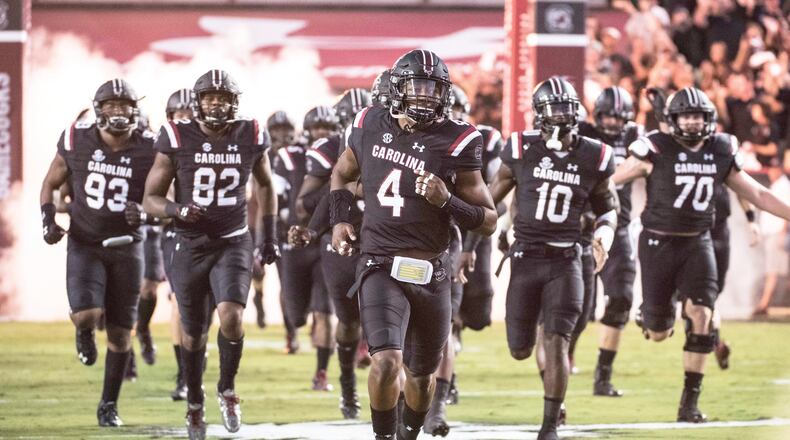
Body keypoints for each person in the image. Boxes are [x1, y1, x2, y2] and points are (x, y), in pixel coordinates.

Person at [330, 49, 497, 439]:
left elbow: (488, 220)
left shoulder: (458, 138)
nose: (425, 96)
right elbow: (341, 174)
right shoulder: (368, 123)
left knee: (422, 378)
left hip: (431, 270)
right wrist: (340, 220)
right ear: (397, 88)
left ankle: (409, 433)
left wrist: (448, 201)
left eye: (432, 88)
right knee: (386, 362)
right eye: (417, 87)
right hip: (379, 263)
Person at [613, 87, 790, 423]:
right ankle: (650, 315)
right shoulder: (655, 148)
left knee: (703, 315)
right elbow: (613, 179)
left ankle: (689, 405)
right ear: (674, 119)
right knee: (658, 331)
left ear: (709, 119)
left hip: (698, 242)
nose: (694, 122)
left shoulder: (721, 150)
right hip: (658, 243)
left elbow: (759, 193)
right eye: (687, 116)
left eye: (699, 116)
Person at [142, 69, 280, 439]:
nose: (217, 104)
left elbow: (266, 185)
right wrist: (177, 210)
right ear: (197, 102)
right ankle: (195, 402)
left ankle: (227, 389)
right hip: (188, 243)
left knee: (232, 316)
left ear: (235, 102)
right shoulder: (176, 136)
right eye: (210, 98)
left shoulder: (250, 132)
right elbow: (150, 199)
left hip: (234, 240)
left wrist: (269, 236)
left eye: (224, 98)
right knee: (193, 333)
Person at [489, 76, 619, 440]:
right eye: (554, 110)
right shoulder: (520, 148)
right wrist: (474, 231)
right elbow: (490, 199)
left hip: (567, 259)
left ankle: (549, 425)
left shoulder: (594, 154)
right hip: (526, 258)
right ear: (539, 116)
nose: (562, 117)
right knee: (520, 347)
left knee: (557, 339)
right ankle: (551, 402)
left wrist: (603, 235)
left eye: (567, 110)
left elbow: (608, 207)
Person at [39, 79, 156, 426]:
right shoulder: (77, 137)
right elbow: (50, 182)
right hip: (86, 242)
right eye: (111, 106)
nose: (118, 112)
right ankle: (84, 331)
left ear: (136, 110)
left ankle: (108, 405)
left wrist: (148, 214)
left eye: (124, 106)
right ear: (99, 108)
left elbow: (168, 193)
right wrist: (48, 219)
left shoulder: (151, 146)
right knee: (87, 313)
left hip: (128, 245)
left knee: (121, 333)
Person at [289, 88, 372, 419]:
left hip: (384, 239)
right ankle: (348, 384)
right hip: (343, 243)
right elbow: (303, 203)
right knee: (349, 320)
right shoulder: (328, 148)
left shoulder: (391, 143)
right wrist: (344, 186)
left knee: (390, 318)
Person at [578, 86, 643, 397]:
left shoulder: (636, 138)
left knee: (620, 299)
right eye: (608, 116)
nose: (614, 124)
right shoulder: (583, 133)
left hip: (618, 227)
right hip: (580, 228)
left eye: (619, 118)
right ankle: (563, 356)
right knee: (576, 306)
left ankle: (603, 375)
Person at [274, 105, 339, 391]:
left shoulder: (344, 153)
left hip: (325, 240)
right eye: (318, 127)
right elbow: (278, 202)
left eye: (327, 127)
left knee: (325, 311)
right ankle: (295, 329)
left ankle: (321, 372)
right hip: (296, 241)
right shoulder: (289, 158)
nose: (322, 132)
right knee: (296, 313)